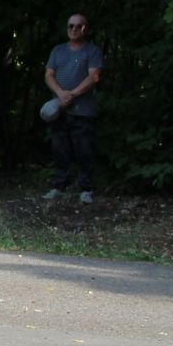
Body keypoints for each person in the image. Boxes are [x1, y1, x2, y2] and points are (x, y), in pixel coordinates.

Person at [44, 12, 104, 203]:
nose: (74, 29)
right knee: (59, 148)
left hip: (83, 110)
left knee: (84, 149)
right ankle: (59, 186)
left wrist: (74, 94)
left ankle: (86, 189)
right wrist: (61, 94)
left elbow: (94, 76)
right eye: (71, 26)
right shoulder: (58, 51)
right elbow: (49, 74)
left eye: (79, 26)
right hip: (59, 109)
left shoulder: (92, 51)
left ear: (85, 29)